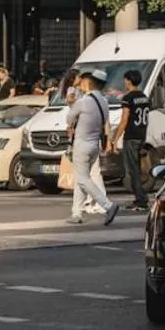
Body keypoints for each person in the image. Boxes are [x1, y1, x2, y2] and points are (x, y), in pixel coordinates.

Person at [66, 71, 118, 227]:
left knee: (82, 179)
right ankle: (77, 213)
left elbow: (69, 119)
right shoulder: (104, 101)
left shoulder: (83, 101)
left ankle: (108, 205)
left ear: (88, 83)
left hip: (81, 144)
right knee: (81, 178)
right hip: (95, 144)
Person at [112, 67, 150, 210]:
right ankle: (140, 198)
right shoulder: (144, 97)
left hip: (131, 136)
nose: (124, 82)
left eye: (125, 80)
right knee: (137, 168)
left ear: (129, 81)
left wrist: (115, 139)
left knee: (133, 170)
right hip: (141, 135)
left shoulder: (128, 98)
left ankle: (141, 200)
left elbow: (124, 120)